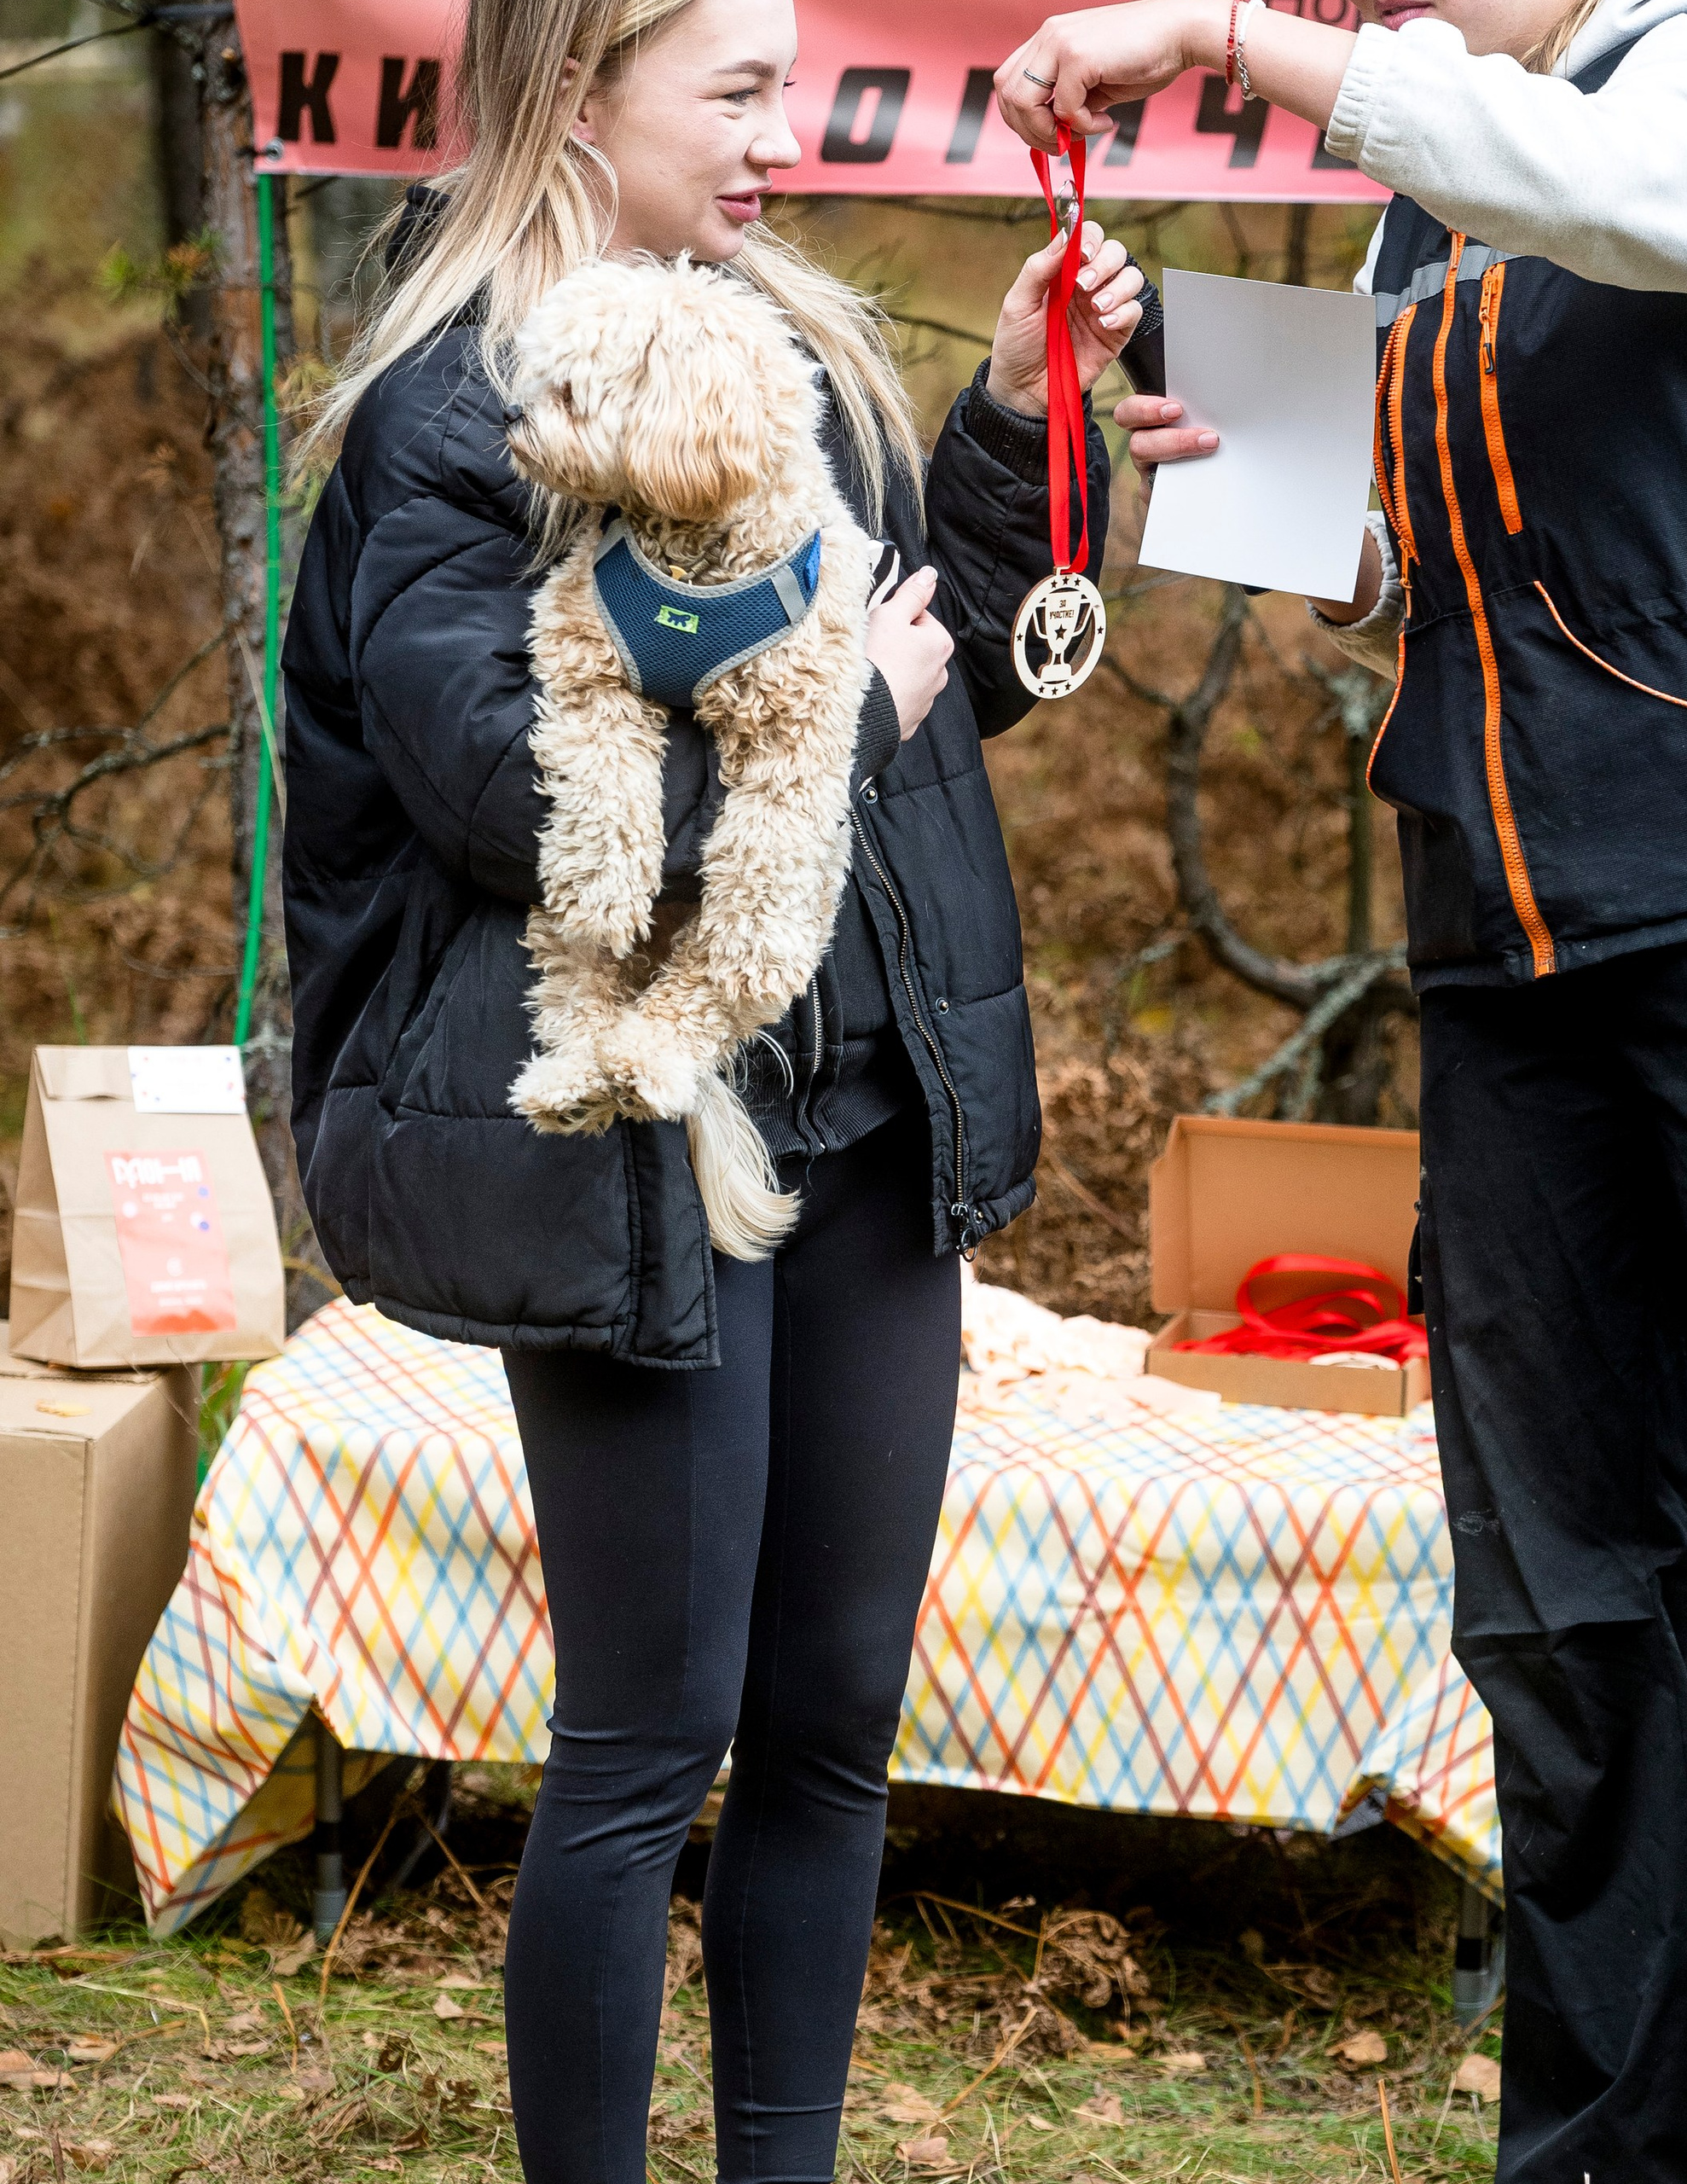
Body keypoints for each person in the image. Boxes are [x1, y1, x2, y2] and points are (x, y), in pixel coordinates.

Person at [998, 4, 1687, 2182]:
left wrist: (1233, 42)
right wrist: (1267, 504)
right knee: (1553, 1609)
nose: (1364, 13)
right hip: (1506, 968)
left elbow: (1616, 196)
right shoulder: (1415, 210)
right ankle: (1607, 2147)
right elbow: (1418, 567)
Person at [280, 2, 1142, 2176]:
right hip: (640, 1140)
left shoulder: (788, 352)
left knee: (834, 1723)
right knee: (648, 1736)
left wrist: (1035, 413)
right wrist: (851, 703)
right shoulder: (450, 412)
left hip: (862, 1124)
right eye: (735, 93)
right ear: (579, 93)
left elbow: (952, 666)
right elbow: (508, 788)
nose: (794, 131)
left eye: (789, 80)